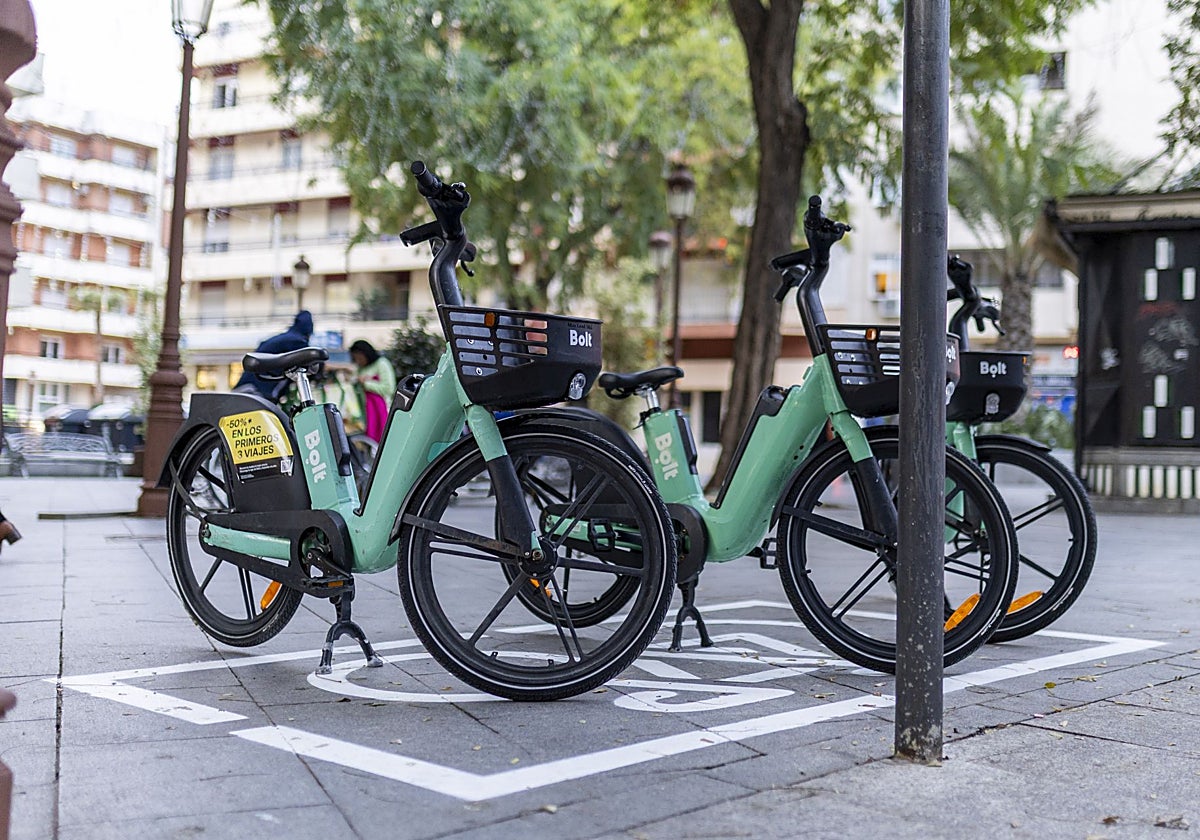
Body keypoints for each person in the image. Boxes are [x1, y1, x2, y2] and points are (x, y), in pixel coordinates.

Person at [233, 311, 314, 400]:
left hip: (246, 387)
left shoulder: (284, 337)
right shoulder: (296, 341)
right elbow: (308, 359)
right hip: (256, 391)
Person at [349, 339, 396, 442]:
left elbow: (389, 388)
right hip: (367, 412)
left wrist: (366, 384)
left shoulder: (382, 364)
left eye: (360, 358)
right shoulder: (360, 368)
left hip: (381, 409)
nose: (358, 361)